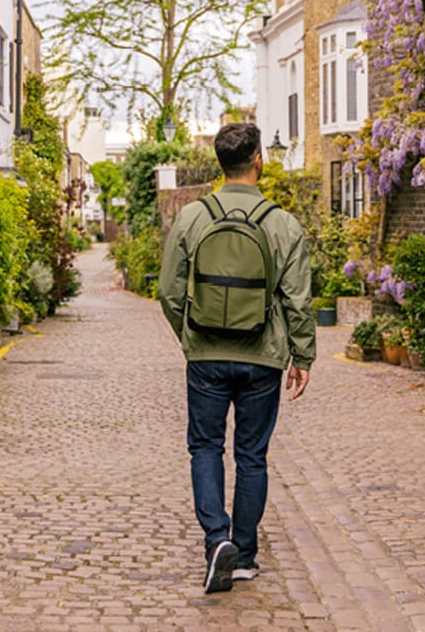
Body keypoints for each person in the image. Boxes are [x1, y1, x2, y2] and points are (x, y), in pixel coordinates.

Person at [158, 122, 314, 595]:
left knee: (205, 447)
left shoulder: (192, 217)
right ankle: (243, 555)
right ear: (259, 160)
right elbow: (298, 300)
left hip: (206, 353)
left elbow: (168, 291)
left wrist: (191, 335)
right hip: (262, 357)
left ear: (218, 164)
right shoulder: (282, 223)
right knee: (252, 455)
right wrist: (302, 354)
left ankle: (215, 540)